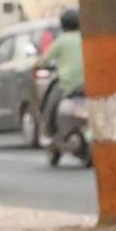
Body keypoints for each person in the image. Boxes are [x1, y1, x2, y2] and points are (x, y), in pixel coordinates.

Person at [37, 7, 84, 136]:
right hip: (88, 83)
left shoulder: (61, 40)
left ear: (62, 25)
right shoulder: (85, 37)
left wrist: (40, 64)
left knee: (50, 103)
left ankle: (49, 130)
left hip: (68, 84)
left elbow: (43, 60)